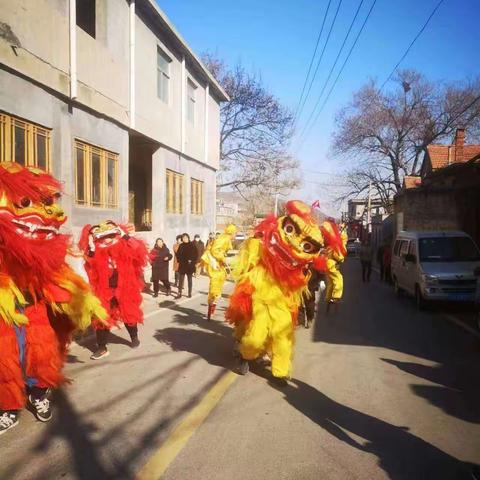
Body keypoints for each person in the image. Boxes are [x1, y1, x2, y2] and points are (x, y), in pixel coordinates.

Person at [0, 162, 107, 434]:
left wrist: (80, 302)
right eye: (26, 201)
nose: (45, 213)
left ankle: (38, 395)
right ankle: (8, 407)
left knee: (41, 354)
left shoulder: (50, 251)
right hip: (5, 312)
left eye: (47, 203)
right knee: (5, 359)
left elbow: (63, 279)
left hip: (36, 309)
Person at [226, 201, 343, 387]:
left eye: (306, 246)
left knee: (282, 337)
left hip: (282, 300)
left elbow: (319, 274)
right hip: (260, 293)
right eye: (290, 229)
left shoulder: (303, 265)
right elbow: (249, 257)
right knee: (256, 335)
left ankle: (280, 372)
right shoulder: (262, 244)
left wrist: (321, 283)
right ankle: (245, 354)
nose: (295, 241)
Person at [79, 221, 148, 360]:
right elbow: (90, 265)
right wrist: (91, 247)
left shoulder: (124, 245)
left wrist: (125, 237)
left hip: (125, 288)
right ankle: (102, 347)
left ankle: (134, 337)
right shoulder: (95, 250)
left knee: (129, 313)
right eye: (104, 237)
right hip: (105, 290)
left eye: (110, 235)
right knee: (101, 317)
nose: (107, 239)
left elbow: (139, 251)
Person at [201, 224, 237, 320]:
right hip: (214, 263)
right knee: (215, 287)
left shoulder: (226, 239)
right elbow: (214, 250)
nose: (235, 235)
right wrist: (223, 259)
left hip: (218, 264)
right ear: (232, 232)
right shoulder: (224, 238)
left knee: (217, 287)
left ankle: (211, 311)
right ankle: (210, 310)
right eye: (235, 233)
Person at [176, 233, 198, 298]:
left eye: (186, 237)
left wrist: (191, 260)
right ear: (182, 239)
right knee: (180, 280)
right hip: (182, 265)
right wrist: (180, 260)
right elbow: (178, 254)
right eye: (183, 238)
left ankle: (189, 293)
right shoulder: (181, 245)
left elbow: (196, 254)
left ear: (188, 238)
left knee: (189, 280)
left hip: (189, 265)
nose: (185, 239)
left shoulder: (192, 245)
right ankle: (179, 293)